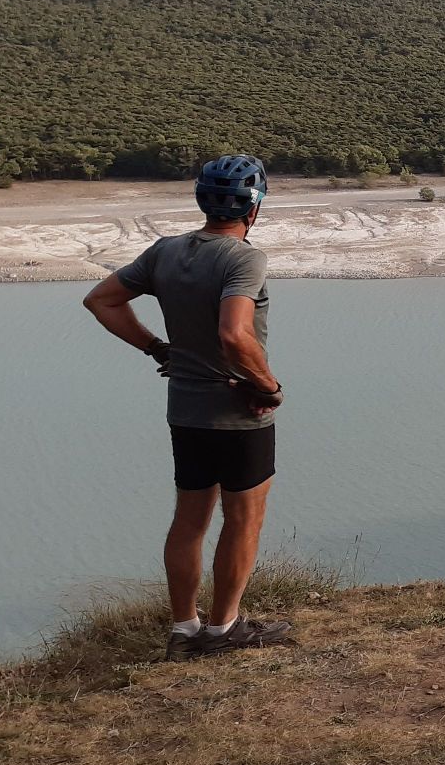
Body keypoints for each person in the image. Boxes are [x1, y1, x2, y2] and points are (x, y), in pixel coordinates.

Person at [83, 154, 293, 660]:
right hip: (239, 413)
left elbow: (101, 300)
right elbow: (234, 333)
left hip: (185, 409)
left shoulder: (165, 251)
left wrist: (158, 349)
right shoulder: (244, 259)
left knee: (189, 519)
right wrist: (268, 386)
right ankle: (223, 630)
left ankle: (184, 629)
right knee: (244, 519)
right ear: (254, 208)